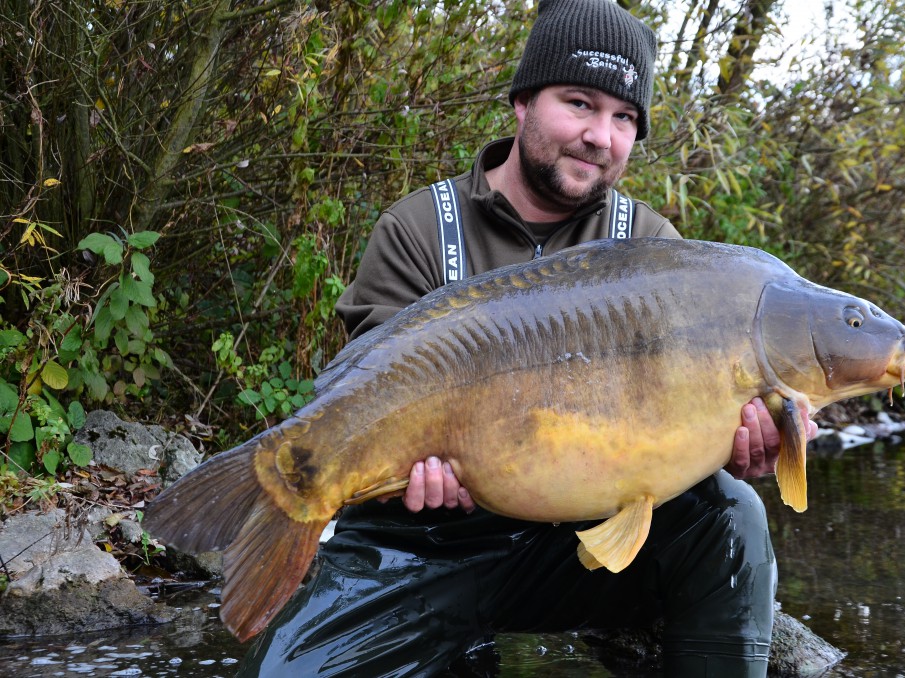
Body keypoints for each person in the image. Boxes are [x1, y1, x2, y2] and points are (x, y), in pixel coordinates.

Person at [240, 1, 816, 676]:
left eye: (624, 118)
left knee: (731, 517)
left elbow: (674, 436)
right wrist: (405, 471)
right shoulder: (421, 228)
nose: (600, 135)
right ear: (522, 103)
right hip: (424, 545)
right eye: (579, 103)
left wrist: (743, 448)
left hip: (576, 551)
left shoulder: (657, 253)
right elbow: (369, 399)